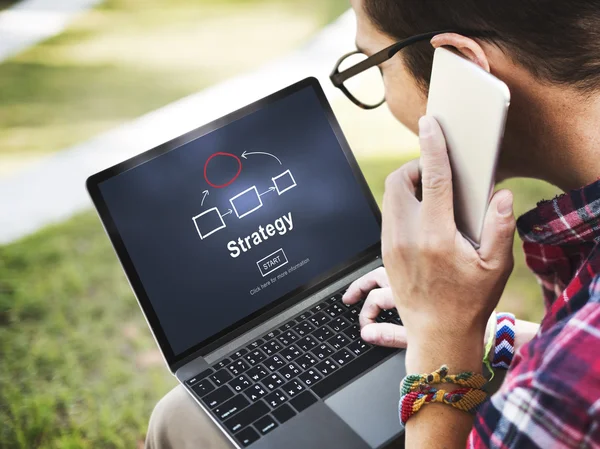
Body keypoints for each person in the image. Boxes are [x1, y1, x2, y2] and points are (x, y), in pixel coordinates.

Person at [146, 0, 600, 447]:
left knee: (177, 421)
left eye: (375, 65)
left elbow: (569, 377)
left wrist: (442, 344)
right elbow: (567, 351)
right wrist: (483, 334)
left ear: (463, 69)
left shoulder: (567, 393)